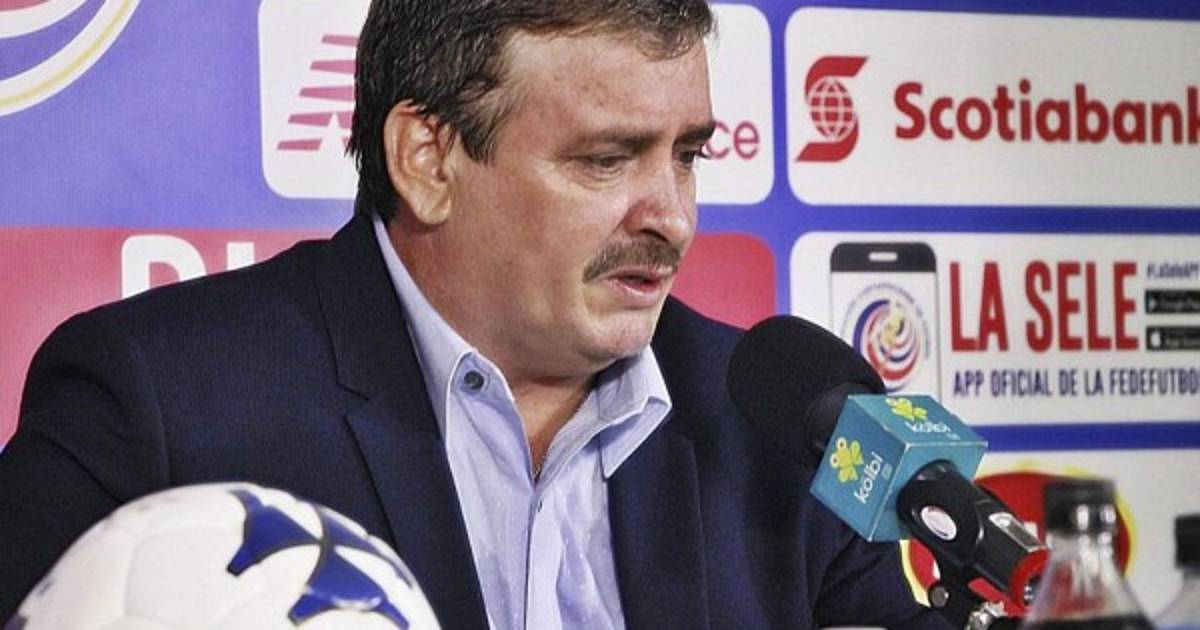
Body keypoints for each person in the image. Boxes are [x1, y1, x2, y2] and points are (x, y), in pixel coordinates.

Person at [0, 1, 951, 628]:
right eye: (606, 159)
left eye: (688, 156)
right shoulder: (160, 404)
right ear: (428, 160)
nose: (672, 216)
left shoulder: (781, 429)